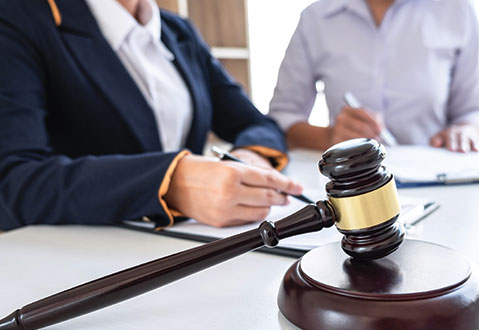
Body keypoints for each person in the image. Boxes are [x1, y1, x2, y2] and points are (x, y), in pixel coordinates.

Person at [0, 0, 303, 231]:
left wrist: (251, 157)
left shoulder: (178, 31)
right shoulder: (17, 19)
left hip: (187, 246)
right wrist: (170, 182)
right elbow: (14, 181)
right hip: (77, 263)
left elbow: (256, 123)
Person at [268, 0, 479, 153]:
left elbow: (476, 112)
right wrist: (329, 137)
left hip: (433, 175)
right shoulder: (315, 18)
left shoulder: (456, 10)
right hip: (354, 180)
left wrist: (467, 130)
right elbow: (283, 117)